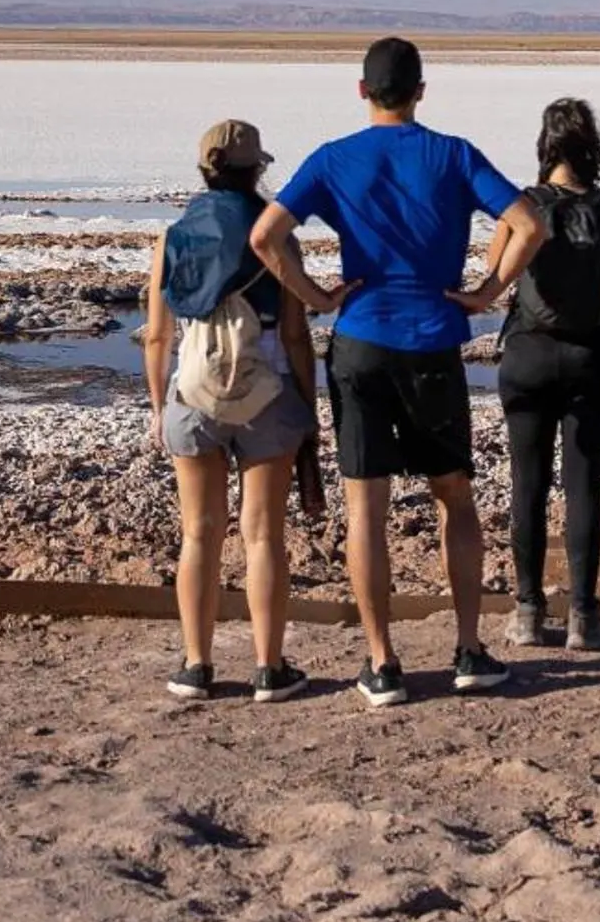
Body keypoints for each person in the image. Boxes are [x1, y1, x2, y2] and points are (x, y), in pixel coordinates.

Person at [249, 37, 548, 708]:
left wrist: (316, 297)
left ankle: (382, 662)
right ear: (421, 90)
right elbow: (528, 224)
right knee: (455, 495)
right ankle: (469, 648)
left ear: (362, 90)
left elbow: (265, 235)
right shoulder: (453, 154)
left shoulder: (334, 159)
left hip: (360, 342)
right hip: (433, 342)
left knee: (367, 508)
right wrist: (486, 292)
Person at [143, 118, 322, 705]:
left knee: (199, 532)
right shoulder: (276, 234)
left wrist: (157, 406)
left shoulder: (173, 237)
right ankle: (270, 667)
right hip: (268, 388)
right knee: (263, 533)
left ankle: (196, 665)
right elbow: (296, 335)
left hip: (192, 392)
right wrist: (307, 405)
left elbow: (156, 336)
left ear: (204, 167)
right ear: (257, 170)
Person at [486, 97, 600, 653]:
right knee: (583, 487)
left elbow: (495, 269)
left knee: (527, 484)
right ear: (592, 146)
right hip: (590, 362)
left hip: (527, 358)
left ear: (544, 145)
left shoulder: (521, 206)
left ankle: (527, 611)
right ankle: (583, 617)